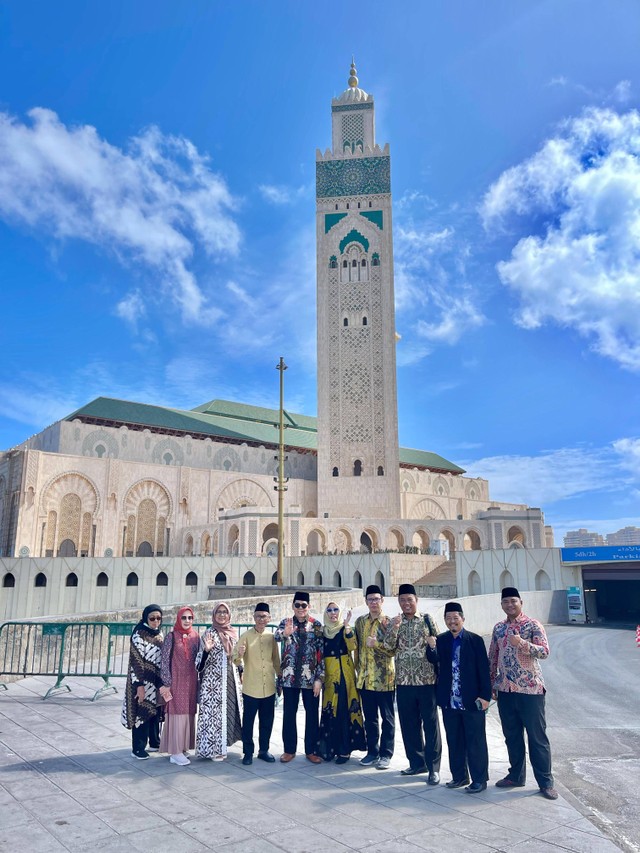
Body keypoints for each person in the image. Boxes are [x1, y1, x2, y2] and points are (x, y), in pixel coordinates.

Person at [489, 587, 558, 800]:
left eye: (513, 601)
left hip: (531, 689)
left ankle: (545, 782)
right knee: (512, 736)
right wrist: (492, 683)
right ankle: (516, 775)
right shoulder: (499, 628)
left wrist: (522, 644)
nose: (510, 605)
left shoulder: (532, 624)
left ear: (521, 602)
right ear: (501, 605)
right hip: (506, 690)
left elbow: (544, 652)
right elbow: (492, 656)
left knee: (537, 738)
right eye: (506, 602)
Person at [426, 602, 491, 793]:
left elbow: (484, 670)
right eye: (448, 618)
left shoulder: (475, 640)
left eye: (455, 618)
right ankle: (459, 776)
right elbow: (434, 659)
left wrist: (485, 696)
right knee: (454, 740)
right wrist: (431, 647)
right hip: (449, 701)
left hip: (471, 700)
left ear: (462, 619)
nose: (452, 621)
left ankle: (479, 779)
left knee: (475, 741)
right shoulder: (442, 639)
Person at [383, 583, 442, 783]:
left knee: (431, 725)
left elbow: (438, 645)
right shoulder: (394, 622)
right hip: (404, 681)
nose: (406, 603)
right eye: (402, 600)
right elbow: (389, 649)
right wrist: (394, 629)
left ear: (416, 600)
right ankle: (417, 763)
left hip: (426, 681)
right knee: (409, 725)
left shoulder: (427, 619)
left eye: (410, 599)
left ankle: (433, 768)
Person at [274, 591, 324, 764]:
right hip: (289, 677)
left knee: (311, 714)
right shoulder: (286, 623)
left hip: (310, 679)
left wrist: (319, 678)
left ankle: (311, 750)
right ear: (293, 606)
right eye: (297, 605)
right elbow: (276, 637)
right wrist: (286, 633)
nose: (301, 608)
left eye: (304, 605)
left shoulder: (316, 625)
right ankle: (289, 750)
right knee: (289, 713)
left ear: (309, 606)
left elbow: (321, 654)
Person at [317, 602, 366, 763]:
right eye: (329, 610)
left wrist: (347, 627)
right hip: (330, 677)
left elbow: (353, 647)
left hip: (345, 676)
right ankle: (331, 748)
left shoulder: (344, 629)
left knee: (345, 711)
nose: (333, 613)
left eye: (336, 609)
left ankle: (345, 750)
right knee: (331, 712)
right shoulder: (322, 632)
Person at [354, 584, 396, 769]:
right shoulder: (360, 622)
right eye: (370, 599)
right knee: (370, 718)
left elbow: (394, 650)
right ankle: (372, 751)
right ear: (366, 601)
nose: (373, 603)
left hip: (384, 680)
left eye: (376, 599)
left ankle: (386, 754)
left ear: (382, 601)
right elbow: (357, 648)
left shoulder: (389, 623)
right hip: (364, 679)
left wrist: (377, 644)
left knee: (387, 718)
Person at [233, 602, 280, 765]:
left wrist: (280, 679)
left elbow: (276, 660)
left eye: (264, 616)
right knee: (248, 722)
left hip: (268, 686)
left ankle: (264, 750)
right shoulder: (246, 636)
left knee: (267, 721)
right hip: (251, 687)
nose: (261, 619)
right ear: (253, 617)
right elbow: (235, 659)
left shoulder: (271, 637)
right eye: (258, 616)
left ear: (269, 618)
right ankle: (248, 752)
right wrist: (239, 655)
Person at [195, 601, 243, 761]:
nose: (222, 615)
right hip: (213, 684)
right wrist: (206, 650)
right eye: (219, 612)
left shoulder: (233, 633)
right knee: (213, 717)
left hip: (231, 681)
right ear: (214, 615)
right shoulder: (209, 634)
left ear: (229, 615)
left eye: (225, 612)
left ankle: (223, 745)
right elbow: (198, 665)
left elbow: (237, 659)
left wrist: (241, 668)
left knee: (228, 713)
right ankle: (212, 749)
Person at [121, 604, 164, 760]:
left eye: (158, 618)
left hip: (156, 681)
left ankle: (154, 741)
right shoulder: (139, 634)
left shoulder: (159, 634)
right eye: (152, 618)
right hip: (142, 681)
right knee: (142, 713)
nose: (155, 621)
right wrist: (139, 686)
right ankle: (138, 748)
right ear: (146, 618)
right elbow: (136, 662)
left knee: (155, 712)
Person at [159, 605, 200, 766]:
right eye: (184, 617)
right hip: (176, 682)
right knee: (177, 714)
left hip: (191, 682)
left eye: (190, 618)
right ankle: (175, 752)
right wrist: (167, 682)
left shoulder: (195, 636)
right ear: (178, 619)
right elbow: (164, 661)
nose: (187, 620)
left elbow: (199, 659)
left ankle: (182, 747)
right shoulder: (172, 636)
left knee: (188, 714)